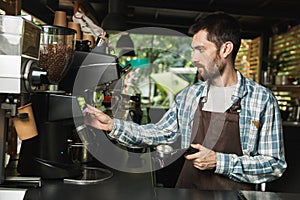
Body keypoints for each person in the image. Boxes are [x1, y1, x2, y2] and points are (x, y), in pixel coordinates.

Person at [83, 12, 287, 190]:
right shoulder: (190, 95)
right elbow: (158, 133)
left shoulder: (261, 99)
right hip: (188, 191)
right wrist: (112, 125)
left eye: (201, 49)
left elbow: (274, 165)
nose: (194, 58)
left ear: (225, 49)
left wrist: (219, 162)